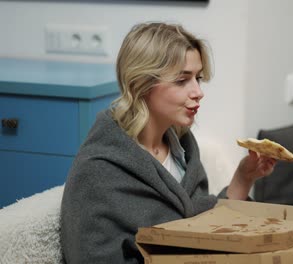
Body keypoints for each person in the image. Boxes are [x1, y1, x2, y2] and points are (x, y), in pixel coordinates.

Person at [60, 22, 276, 263]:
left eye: (198, 78)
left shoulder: (182, 149)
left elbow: (201, 224)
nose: (198, 91)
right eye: (182, 80)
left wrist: (243, 178)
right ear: (142, 83)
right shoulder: (98, 171)